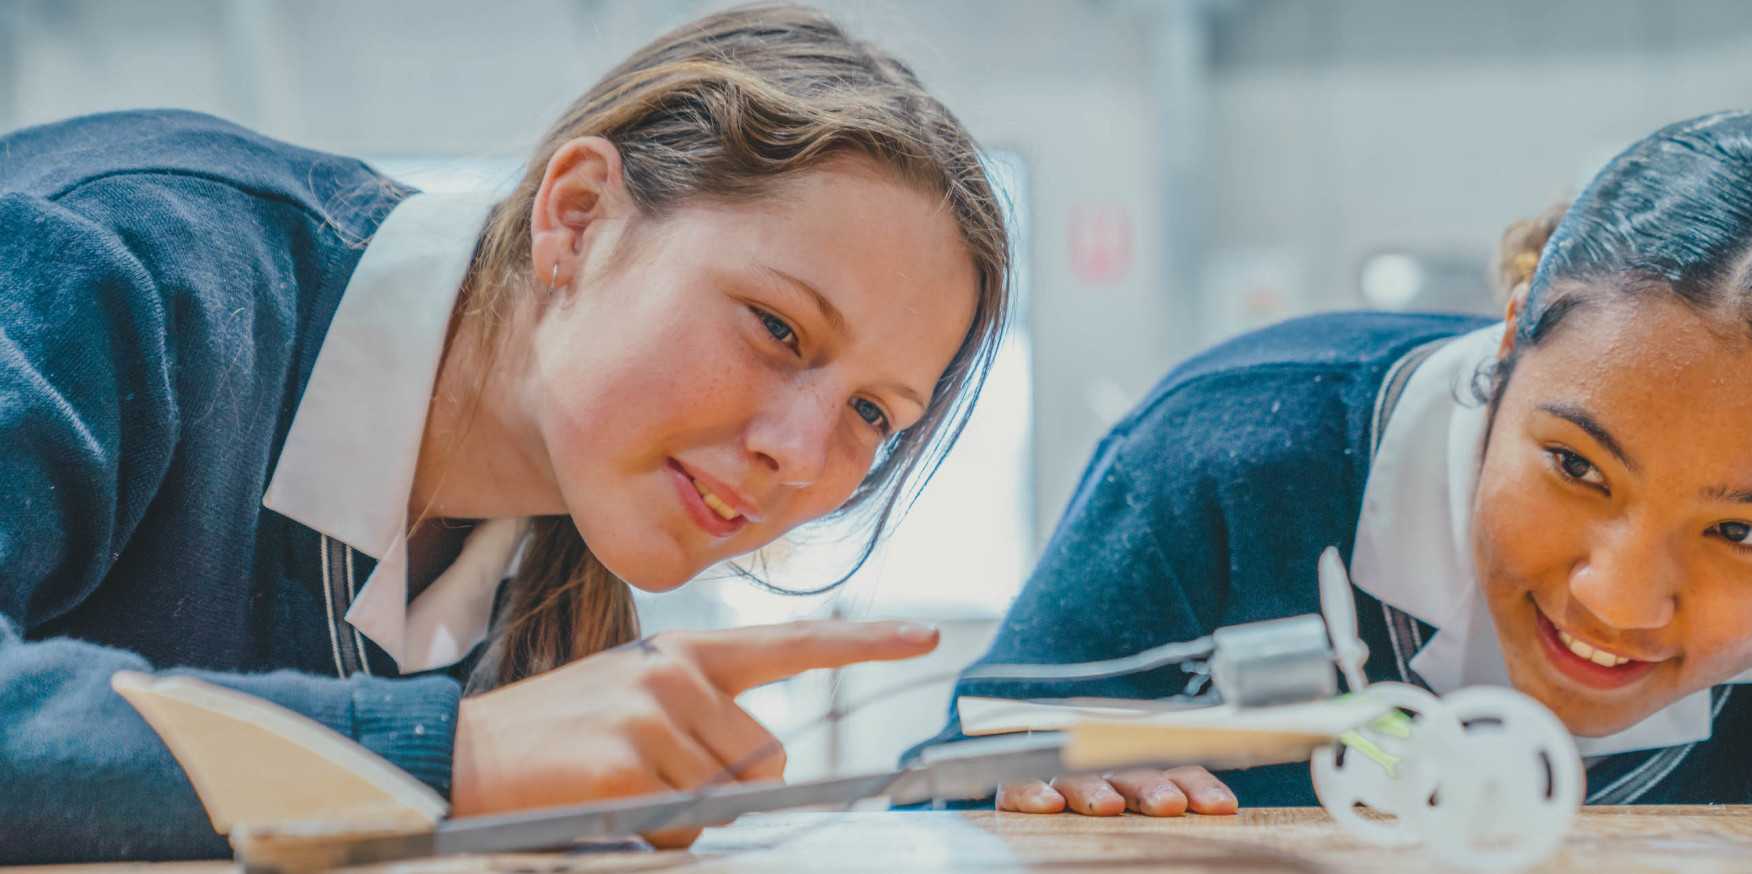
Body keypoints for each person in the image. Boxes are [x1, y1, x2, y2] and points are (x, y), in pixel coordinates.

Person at [0, 4, 1010, 862]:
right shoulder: (124, 256)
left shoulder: (552, 581)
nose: (799, 451)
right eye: (777, 327)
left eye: (873, 414)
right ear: (576, 219)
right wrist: (458, 757)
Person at [914, 111, 1752, 827]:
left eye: (1746, 534)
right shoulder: (1228, 467)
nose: (1614, 599)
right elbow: (937, 804)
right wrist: (1022, 807)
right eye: (1579, 467)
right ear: (1509, 344)